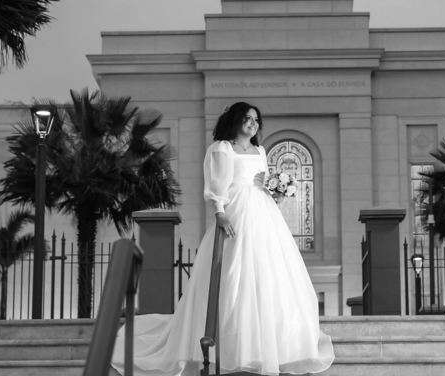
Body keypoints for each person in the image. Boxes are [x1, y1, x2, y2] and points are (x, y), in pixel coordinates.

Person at [112, 101, 334, 376]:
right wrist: (220, 212)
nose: (253, 123)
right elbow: (217, 184)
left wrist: (276, 190)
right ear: (235, 121)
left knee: (266, 272)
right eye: (247, 118)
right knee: (231, 271)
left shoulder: (261, 150)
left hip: (263, 213)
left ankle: (264, 342)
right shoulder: (221, 148)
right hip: (236, 210)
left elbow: (261, 182)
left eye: (256, 119)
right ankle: (228, 341)